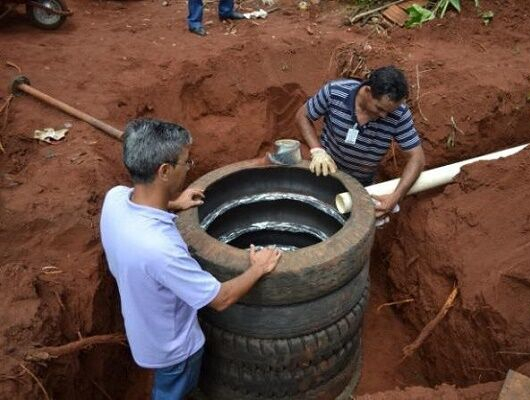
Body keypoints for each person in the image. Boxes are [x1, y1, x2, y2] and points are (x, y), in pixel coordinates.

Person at [100, 119, 281, 400]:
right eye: (186, 162)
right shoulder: (160, 248)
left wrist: (174, 202)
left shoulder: (114, 199)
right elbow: (220, 299)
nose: (189, 167)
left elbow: (138, 203)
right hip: (174, 350)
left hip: (144, 327)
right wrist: (258, 269)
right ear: (164, 171)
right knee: (172, 392)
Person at [295, 65, 426, 218]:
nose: (384, 116)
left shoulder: (399, 114)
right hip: (325, 173)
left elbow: (417, 158)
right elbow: (302, 116)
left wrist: (395, 197)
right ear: (368, 91)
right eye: (379, 108)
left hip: (363, 185)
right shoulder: (335, 92)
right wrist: (317, 151)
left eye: (388, 112)